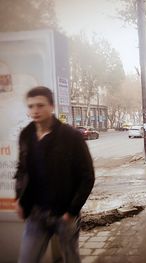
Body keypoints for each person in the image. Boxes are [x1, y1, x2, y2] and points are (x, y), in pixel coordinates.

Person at [14, 86, 95, 263]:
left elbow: (87, 176)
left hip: (64, 214)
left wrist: (72, 211)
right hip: (35, 213)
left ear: (52, 106)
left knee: (71, 258)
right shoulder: (26, 135)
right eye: (31, 106)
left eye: (40, 105)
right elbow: (22, 169)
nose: (35, 110)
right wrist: (20, 198)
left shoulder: (71, 136)